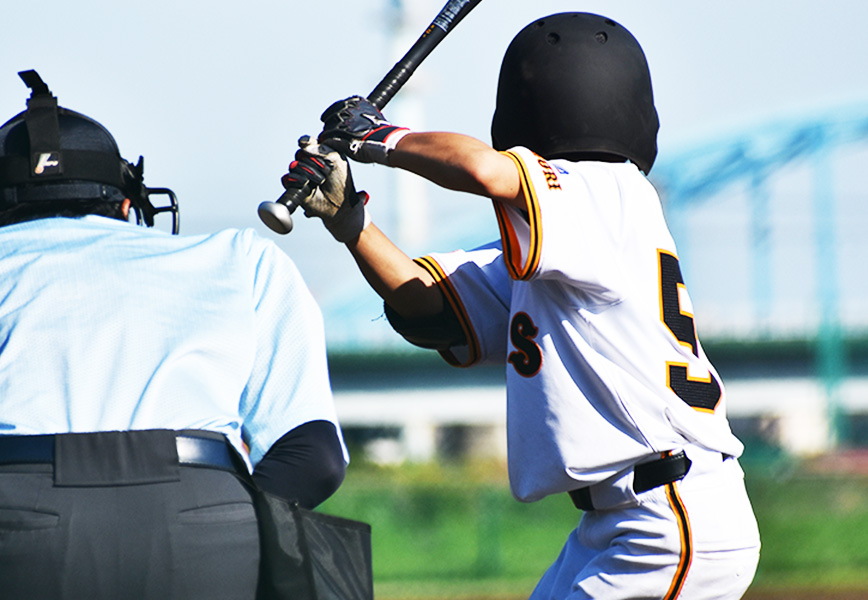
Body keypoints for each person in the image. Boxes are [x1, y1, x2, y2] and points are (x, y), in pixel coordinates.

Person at [282, 12, 761, 600]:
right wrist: (350, 223)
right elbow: (430, 310)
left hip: (671, 518)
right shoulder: (564, 244)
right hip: (621, 520)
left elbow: (484, 168)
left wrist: (380, 138)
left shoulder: (608, 192)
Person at [0, 70, 347, 599]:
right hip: (205, 517)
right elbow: (315, 457)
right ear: (125, 204)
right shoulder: (238, 258)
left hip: (17, 511)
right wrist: (218, 519)